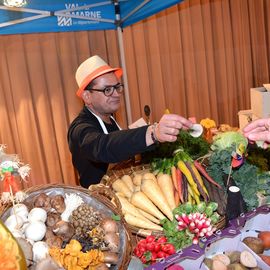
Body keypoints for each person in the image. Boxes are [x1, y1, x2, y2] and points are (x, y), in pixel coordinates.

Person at [68, 55, 193, 188]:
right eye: (107, 90)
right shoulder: (79, 129)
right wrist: (153, 133)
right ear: (87, 96)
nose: (116, 94)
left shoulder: (108, 117)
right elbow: (103, 146)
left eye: (117, 87)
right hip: (99, 202)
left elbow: (119, 144)